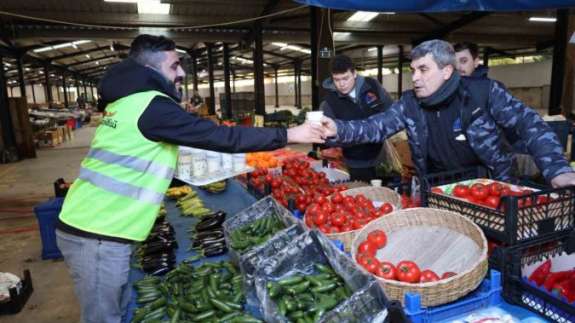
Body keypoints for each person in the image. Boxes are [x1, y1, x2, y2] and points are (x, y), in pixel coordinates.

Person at [55, 34, 323, 323]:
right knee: (102, 318)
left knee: (116, 310)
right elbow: (220, 136)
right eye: (174, 66)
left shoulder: (127, 101)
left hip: (97, 224)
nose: (182, 73)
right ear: (151, 70)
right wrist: (290, 134)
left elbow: (141, 158)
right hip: (97, 234)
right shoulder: (151, 105)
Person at [319, 39, 575, 188]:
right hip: (438, 189)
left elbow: (529, 123)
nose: (415, 78)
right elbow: (375, 126)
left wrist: (556, 168)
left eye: (423, 69)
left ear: (446, 71)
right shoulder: (411, 103)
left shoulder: (482, 94)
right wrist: (338, 129)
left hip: (489, 187)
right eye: (413, 69)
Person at [320, 54, 393, 182]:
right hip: (354, 163)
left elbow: (391, 110)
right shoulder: (329, 103)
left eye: (345, 78)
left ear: (354, 73)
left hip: (383, 159)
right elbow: (327, 138)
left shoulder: (373, 86)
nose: (341, 84)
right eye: (336, 80)